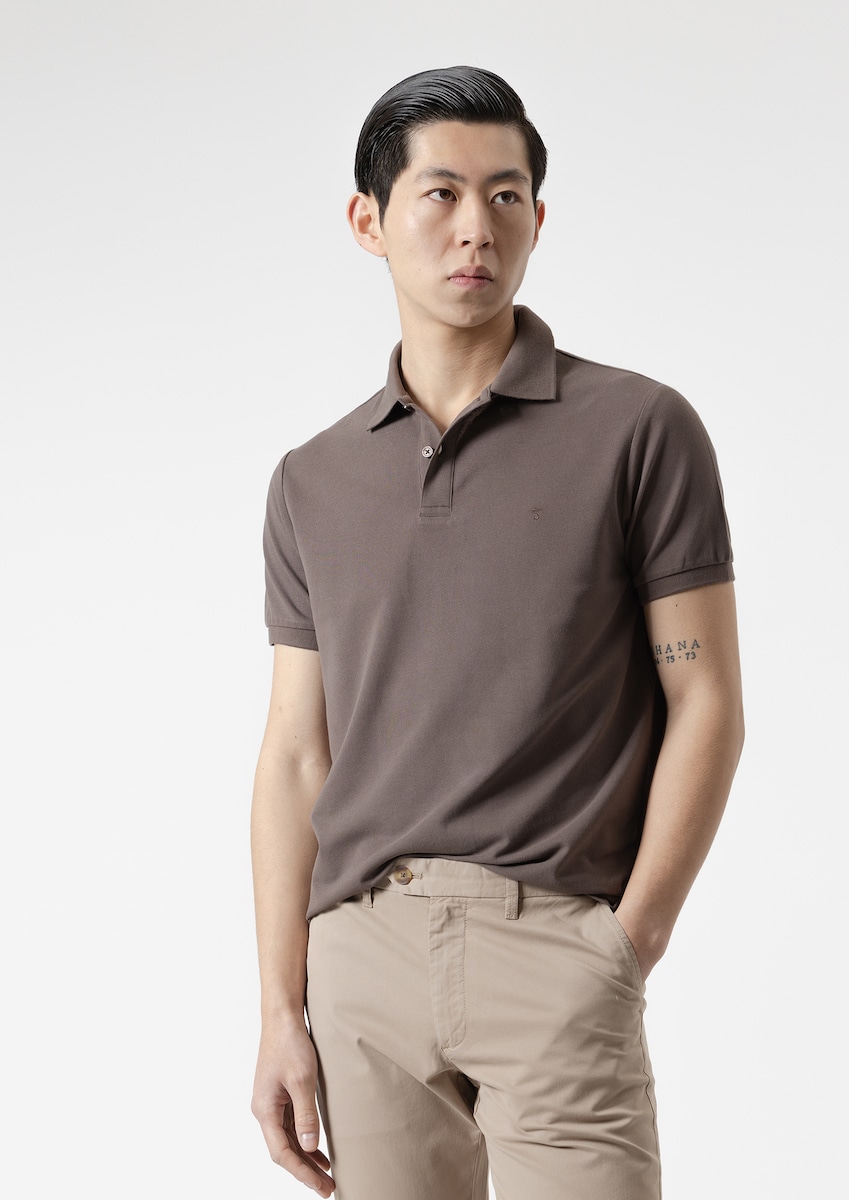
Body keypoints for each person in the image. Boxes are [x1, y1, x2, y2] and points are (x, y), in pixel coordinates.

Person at [250, 65, 744, 1200]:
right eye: (441, 193)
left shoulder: (639, 429)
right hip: (362, 965)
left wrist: (628, 944)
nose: (477, 226)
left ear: (537, 217)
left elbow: (707, 700)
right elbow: (293, 754)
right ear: (368, 221)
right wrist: (281, 1007)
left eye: (506, 195)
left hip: (558, 944)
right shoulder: (311, 480)